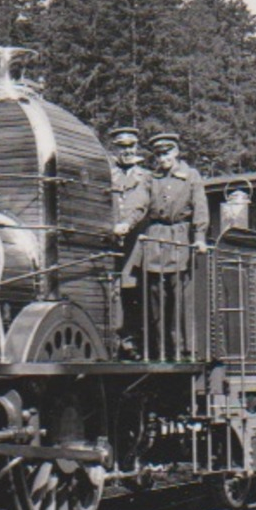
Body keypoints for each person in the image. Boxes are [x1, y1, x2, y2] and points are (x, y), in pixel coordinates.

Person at [132, 132, 210, 359]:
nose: (162, 158)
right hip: (155, 239)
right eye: (158, 154)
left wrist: (200, 237)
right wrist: (126, 223)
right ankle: (159, 349)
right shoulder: (150, 178)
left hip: (180, 239)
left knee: (179, 297)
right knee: (154, 296)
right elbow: (139, 204)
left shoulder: (191, 176)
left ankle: (182, 347)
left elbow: (200, 207)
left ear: (176, 152)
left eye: (166, 153)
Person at [107, 127, 150, 354]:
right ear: (115, 148)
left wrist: (127, 224)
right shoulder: (106, 174)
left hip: (135, 243)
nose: (127, 151)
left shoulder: (145, 177)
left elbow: (141, 206)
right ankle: (113, 338)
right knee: (111, 289)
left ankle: (132, 340)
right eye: (122, 147)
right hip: (110, 241)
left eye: (131, 146)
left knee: (132, 290)